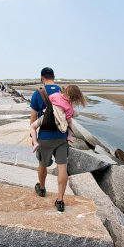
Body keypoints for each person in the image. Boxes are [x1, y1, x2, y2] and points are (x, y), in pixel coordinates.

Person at [30, 68, 86, 212]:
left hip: (44, 136)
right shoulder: (64, 91)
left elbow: (33, 117)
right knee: (62, 167)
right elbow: (69, 115)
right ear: (54, 77)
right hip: (61, 136)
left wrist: (33, 136)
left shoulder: (38, 92)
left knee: (42, 163)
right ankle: (60, 200)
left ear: (42, 78)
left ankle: (42, 188)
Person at [30, 85, 87, 153]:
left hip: (47, 117)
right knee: (70, 121)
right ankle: (69, 136)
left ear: (66, 91)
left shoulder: (56, 95)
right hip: (60, 122)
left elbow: (49, 101)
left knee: (32, 127)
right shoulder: (69, 105)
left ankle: (35, 142)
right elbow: (68, 116)